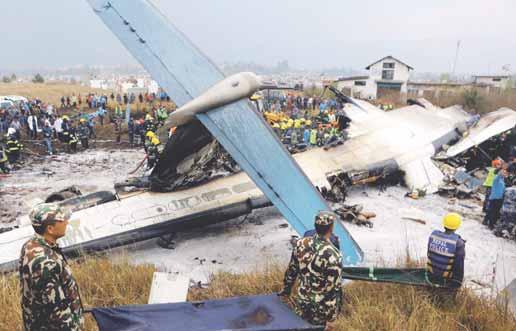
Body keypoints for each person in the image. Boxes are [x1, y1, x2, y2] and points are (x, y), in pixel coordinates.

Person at [19, 203, 84, 330]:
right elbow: (56, 311)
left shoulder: (31, 245)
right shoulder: (45, 263)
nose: (66, 222)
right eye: (62, 219)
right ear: (50, 229)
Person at [278, 211, 343, 329]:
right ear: (331, 227)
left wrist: (286, 291)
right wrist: (331, 318)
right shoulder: (334, 255)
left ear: (315, 226)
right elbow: (333, 289)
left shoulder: (301, 243)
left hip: (301, 300)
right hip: (320, 308)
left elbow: (292, 271)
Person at [427, 213, 465, 295]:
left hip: (430, 276)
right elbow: (459, 267)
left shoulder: (433, 235)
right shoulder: (458, 243)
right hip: (445, 280)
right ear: (457, 227)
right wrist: (457, 284)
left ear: (444, 224)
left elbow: (429, 254)